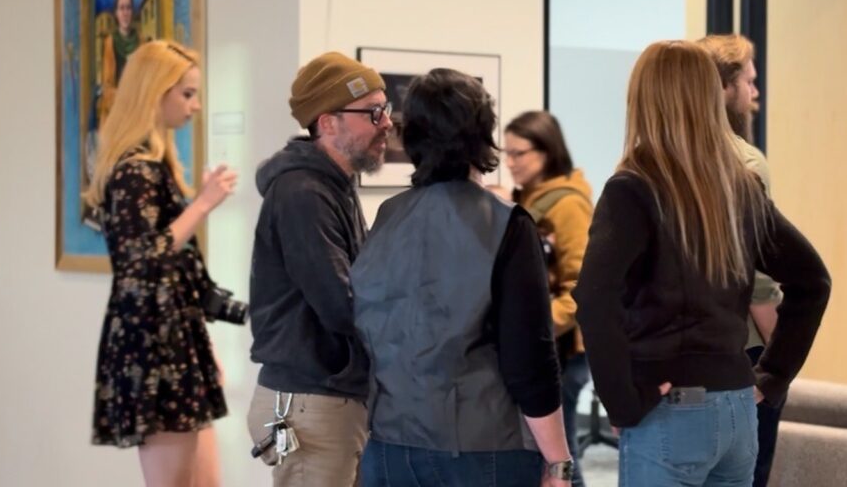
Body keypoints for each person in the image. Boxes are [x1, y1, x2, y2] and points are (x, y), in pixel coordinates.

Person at [574, 40, 831, 486]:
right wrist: (771, 375)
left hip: (670, 409)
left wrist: (621, 401)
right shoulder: (741, 187)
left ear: (643, 101)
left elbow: (595, 301)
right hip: (736, 411)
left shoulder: (633, 188)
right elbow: (813, 281)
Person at [351, 68, 574, 487]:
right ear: (483, 133)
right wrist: (559, 460)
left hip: (389, 445)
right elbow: (530, 357)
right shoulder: (507, 225)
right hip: (482, 448)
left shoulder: (387, 217)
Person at [84, 40, 237, 487]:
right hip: (153, 348)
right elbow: (141, 261)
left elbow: (176, 272)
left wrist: (204, 343)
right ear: (156, 92)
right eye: (187, 94)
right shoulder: (135, 171)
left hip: (173, 340)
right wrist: (203, 204)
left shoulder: (153, 168)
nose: (195, 106)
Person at [246, 51, 392, 487]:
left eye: (386, 109)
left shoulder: (332, 185)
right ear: (328, 122)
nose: (387, 122)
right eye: (373, 112)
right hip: (312, 402)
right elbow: (341, 304)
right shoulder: (303, 193)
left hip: (329, 399)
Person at [699, 33, 784, 487]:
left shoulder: (659, 159)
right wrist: (779, 354)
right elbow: (758, 273)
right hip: (745, 347)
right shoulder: (745, 162)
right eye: (748, 82)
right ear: (724, 86)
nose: (755, 92)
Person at [500, 110, 593, 487]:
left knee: (559, 455)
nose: (510, 162)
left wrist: (537, 326)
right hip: (543, 345)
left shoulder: (568, 205)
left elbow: (582, 285)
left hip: (564, 348)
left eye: (518, 153)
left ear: (546, 151)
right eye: (506, 153)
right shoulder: (527, 199)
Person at [99, 0, 141, 127]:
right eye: (121, 8)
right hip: (115, 113)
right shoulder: (109, 43)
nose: (125, 13)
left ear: (132, 11)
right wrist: (122, 98)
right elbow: (107, 86)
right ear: (116, 12)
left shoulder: (141, 42)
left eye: (128, 8)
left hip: (138, 113)